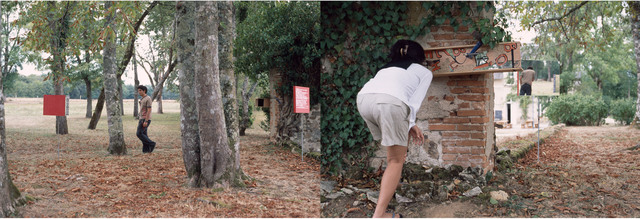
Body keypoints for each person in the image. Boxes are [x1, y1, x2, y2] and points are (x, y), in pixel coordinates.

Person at [357, 39, 433, 218]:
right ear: (420, 56)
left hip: (363, 100)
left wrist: (409, 124)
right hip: (390, 103)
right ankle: (379, 215)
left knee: (395, 154)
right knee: (396, 160)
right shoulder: (424, 72)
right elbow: (414, 102)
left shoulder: (384, 69)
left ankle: (386, 198)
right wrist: (411, 122)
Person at [136, 85, 156, 153]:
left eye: (140, 90)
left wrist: (146, 121)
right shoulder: (142, 99)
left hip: (145, 119)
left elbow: (149, 110)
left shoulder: (148, 98)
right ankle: (146, 150)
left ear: (144, 91)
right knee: (144, 134)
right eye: (138, 90)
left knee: (139, 133)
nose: (139, 92)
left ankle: (151, 143)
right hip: (141, 118)